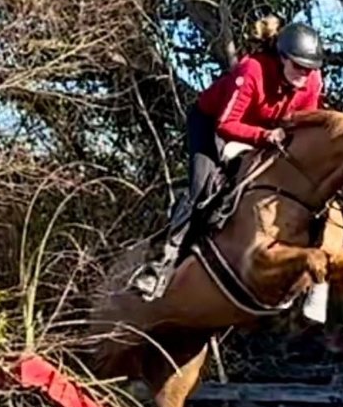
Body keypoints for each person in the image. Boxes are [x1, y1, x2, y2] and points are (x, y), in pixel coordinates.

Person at [130, 17, 327, 299]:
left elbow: (304, 123)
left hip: (265, 131)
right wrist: (264, 137)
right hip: (213, 124)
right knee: (202, 191)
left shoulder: (311, 82)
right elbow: (226, 123)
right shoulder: (252, 70)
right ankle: (157, 266)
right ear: (281, 58)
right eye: (298, 66)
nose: (304, 74)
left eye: (310, 69)